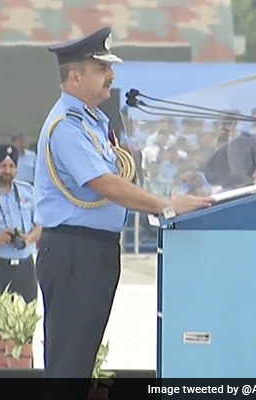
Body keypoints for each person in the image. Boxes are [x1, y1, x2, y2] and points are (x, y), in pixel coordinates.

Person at [33, 26, 214, 384]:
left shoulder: (93, 122)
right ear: (75, 76)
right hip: (74, 252)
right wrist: (165, 204)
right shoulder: (67, 126)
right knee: (68, 365)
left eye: (109, 67)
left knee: (79, 361)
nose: (111, 75)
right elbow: (105, 183)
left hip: (93, 251)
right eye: (101, 68)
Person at [0, 145, 41, 301]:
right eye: (3, 166)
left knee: (26, 312)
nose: (7, 170)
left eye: (11, 166)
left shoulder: (27, 192)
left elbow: (41, 225)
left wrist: (28, 239)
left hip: (25, 266)